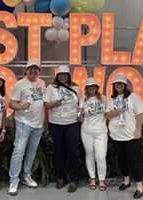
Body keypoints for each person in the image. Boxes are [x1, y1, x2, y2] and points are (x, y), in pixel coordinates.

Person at [105, 74, 143, 199]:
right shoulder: (111, 99)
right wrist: (116, 112)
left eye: (121, 84)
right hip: (116, 134)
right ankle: (126, 181)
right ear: (113, 86)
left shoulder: (133, 97)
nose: (118, 85)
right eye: (116, 84)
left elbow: (140, 113)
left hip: (130, 135)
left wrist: (138, 129)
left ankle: (139, 186)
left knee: (133, 161)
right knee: (121, 160)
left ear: (125, 85)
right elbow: (107, 115)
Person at [8, 60, 46, 195]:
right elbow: (11, 104)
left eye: (36, 69)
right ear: (26, 70)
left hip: (38, 124)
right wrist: (21, 107)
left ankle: (26, 175)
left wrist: (44, 122)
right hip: (24, 123)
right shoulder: (20, 84)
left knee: (32, 151)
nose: (33, 71)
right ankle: (13, 180)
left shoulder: (41, 83)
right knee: (18, 151)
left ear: (39, 71)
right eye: (30, 69)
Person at [43, 65, 82, 193]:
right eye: (60, 75)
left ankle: (74, 179)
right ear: (57, 76)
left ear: (69, 76)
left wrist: (80, 115)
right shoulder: (51, 88)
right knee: (59, 151)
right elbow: (46, 105)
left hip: (72, 124)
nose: (63, 76)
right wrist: (54, 104)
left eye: (65, 74)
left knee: (73, 152)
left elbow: (80, 105)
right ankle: (61, 177)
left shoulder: (76, 88)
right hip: (56, 124)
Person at [77, 78, 107, 191]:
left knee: (101, 157)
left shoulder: (103, 98)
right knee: (89, 155)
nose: (91, 88)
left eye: (93, 86)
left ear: (97, 88)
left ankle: (102, 180)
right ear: (86, 89)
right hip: (87, 131)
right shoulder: (83, 101)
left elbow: (108, 113)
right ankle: (93, 178)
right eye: (89, 87)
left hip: (101, 131)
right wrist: (79, 115)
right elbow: (80, 118)